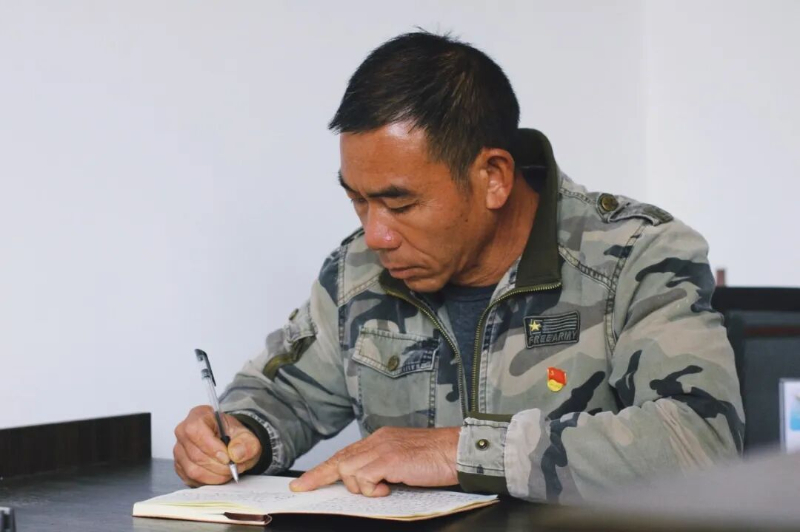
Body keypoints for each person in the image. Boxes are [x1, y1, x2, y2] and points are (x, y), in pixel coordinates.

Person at [172, 31, 744, 503]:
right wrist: (237, 433)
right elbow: (284, 396)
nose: (376, 234)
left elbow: (701, 440)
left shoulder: (636, 255)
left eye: (399, 203)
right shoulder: (355, 274)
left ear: (493, 177)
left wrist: (460, 451)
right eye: (358, 200)